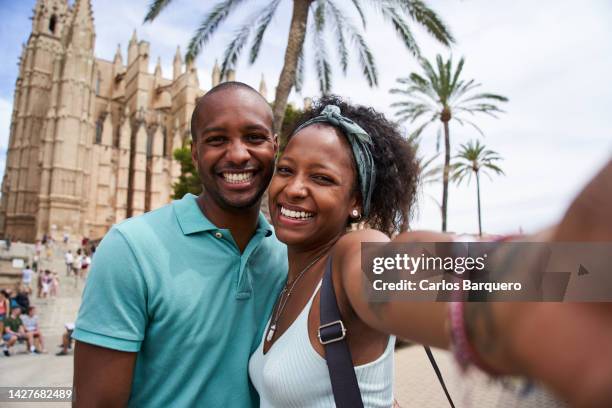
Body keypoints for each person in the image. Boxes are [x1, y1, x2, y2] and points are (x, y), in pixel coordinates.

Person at [249, 96, 612, 407]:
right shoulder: (283, 280)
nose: (294, 188)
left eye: (322, 178)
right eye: (285, 170)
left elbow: (398, 272)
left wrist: (578, 274)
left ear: (355, 202)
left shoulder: (351, 257)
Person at [73, 82, 288, 407]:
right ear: (194, 152)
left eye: (254, 138)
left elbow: (389, 311)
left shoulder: (287, 257)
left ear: (275, 146)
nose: (238, 154)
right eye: (217, 140)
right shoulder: (130, 248)